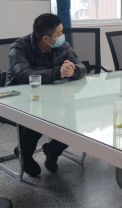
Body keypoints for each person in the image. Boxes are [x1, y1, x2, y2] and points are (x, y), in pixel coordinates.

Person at [6, 13, 86, 177]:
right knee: (38, 119)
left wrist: (73, 70)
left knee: (71, 124)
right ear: (46, 38)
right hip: (24, 97)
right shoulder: (19, 47)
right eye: (59, 33)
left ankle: (52, 151)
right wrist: (58, 73)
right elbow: (24, 75)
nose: (62, 36)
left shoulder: (63, 46)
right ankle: (24, 154)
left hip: (54, 94)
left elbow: (81, 66)